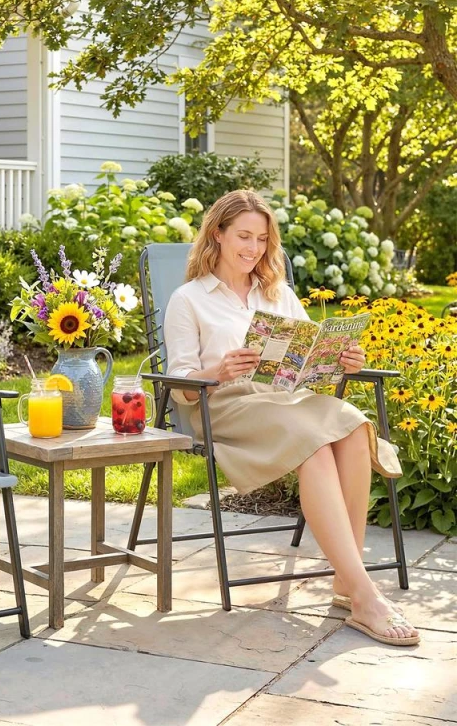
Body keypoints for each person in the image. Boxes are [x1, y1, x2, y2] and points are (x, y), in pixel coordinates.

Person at [164, 189, 419, 646]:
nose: (253, 248)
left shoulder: (277, 293)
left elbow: (309, 349)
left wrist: (342, 359)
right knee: (316, 444)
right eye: (244, 236)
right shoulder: (189, 299)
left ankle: (346, 583)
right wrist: (217, 370)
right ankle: (363, 594)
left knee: (354, 426)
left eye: (262, 239)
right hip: (225, 404)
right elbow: (179, 386)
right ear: (217, 234)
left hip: (284, 399)